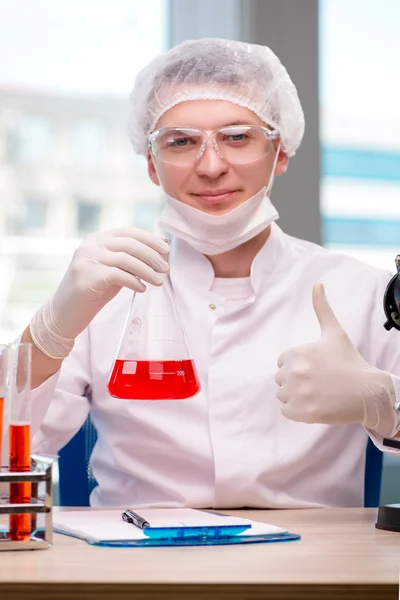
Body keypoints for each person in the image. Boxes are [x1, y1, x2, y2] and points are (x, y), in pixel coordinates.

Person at [16, 38, 400, 508]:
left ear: (280, 152)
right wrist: (51, 331)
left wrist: (388, 407)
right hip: (134, 565)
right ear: (152, 166)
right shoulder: (102, 293)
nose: (212, 166)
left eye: (238, 137)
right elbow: (9, 455)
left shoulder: (363, 293)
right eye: (181, 142)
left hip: (313, 569)